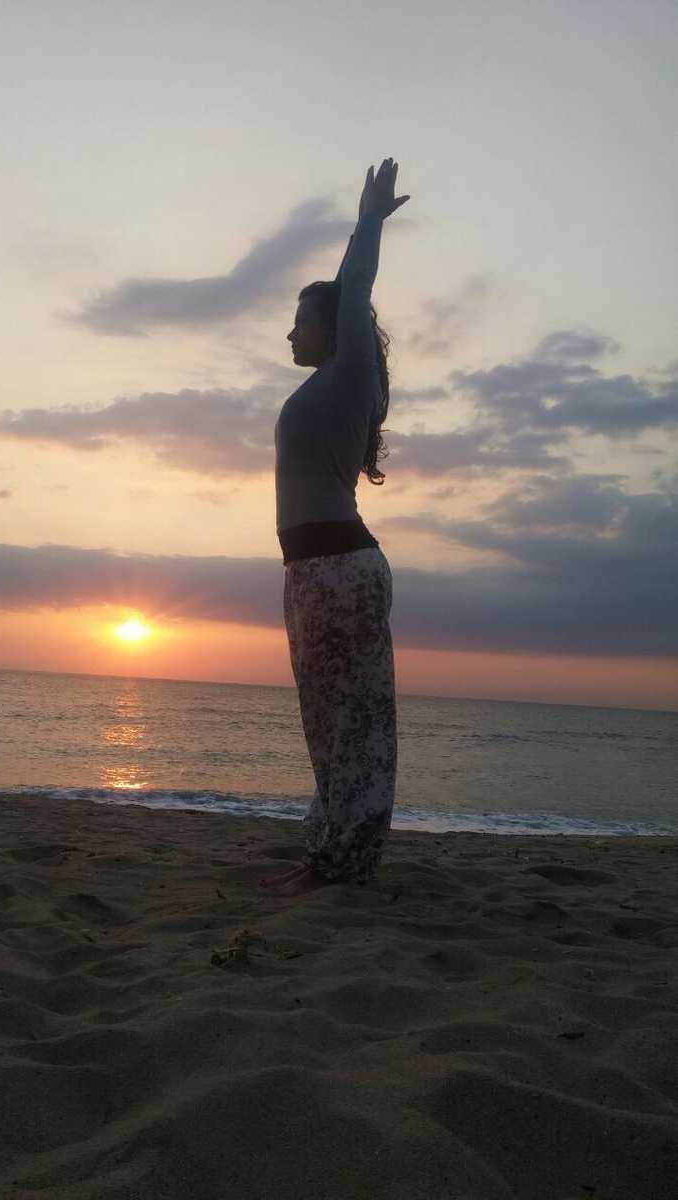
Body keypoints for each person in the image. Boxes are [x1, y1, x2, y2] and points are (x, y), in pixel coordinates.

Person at [259, 159, 410, 897]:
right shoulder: (323, 388)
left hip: (341, 570)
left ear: (333, 328)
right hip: (311, 572)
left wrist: (369, 223)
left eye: (299, 318)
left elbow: (356, 287)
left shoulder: (349, 376)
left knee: (354, 726)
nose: (291, 330)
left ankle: (346, 863)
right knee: (325, 722)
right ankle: (329, 855)